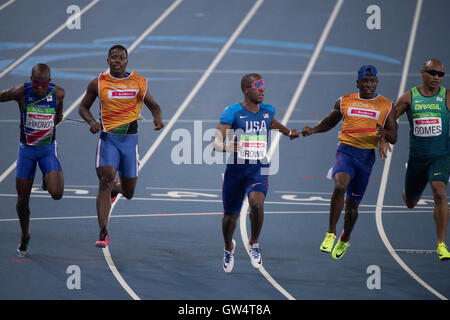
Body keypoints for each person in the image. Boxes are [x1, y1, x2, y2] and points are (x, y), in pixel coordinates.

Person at [301, 65, 397, 259]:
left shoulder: (387, 105)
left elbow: (394, 136)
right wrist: (313, 130)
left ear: (377, 83)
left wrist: (384, 133)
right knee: (339, 185)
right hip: (345, 152)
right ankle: (330, 233)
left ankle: (345, 239)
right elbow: (329, 123)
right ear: (358, 83)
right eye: (365, 81)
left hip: (366, 158)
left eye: (372, 81)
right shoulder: (345, 101)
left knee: (352, 208)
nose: (369, 85)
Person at [79, 45, 164, 248]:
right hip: (108, 141)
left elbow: (155, 106)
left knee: (129, 192)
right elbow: (83, 107)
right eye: (113, 57)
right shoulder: (98, 83)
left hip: (129, 142)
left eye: (121, 58)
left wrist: (157, 119)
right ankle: (103, 231)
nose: (117, 60)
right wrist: (92, 122)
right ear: (107, 60)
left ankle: (116, 190)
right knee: (104, 181)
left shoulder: (138, 82)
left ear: (127, 61)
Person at [213, 73, 299, 273]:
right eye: (257, 87)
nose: (262, 90)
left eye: (263, 87)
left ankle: (254, 243)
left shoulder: (268, 111)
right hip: (235, 171)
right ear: (245, 90)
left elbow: (272, 122)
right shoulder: (232, 112)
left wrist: (288, 132)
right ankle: (228, 247)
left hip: (258, 168)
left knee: (257, 204)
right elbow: (216, 142)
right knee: (229, 218)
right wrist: (227, 147)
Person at [380, 58, 450, 260]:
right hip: (417, 160)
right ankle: (409, 193)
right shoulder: (410, 98)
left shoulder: (447, 97)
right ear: (423, 73)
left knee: (440, 193)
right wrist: (384, 138)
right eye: (433, 73)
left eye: (441, 74)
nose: (437, 77)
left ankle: (441, 245)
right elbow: (390, 118)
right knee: (410, 201)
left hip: (441, 157)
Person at [0, 63, 65, 256]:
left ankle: (47, 178)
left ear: (49, 82)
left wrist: (52, 120)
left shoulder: (59, 93)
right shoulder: (21, 92)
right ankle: (25, 235)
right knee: (22, 200)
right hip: (26, 151)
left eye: (42, 84)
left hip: (47, 150)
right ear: (31, 80)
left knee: (57, 193)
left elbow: (59, 116)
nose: (38, 87)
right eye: (35, 83)